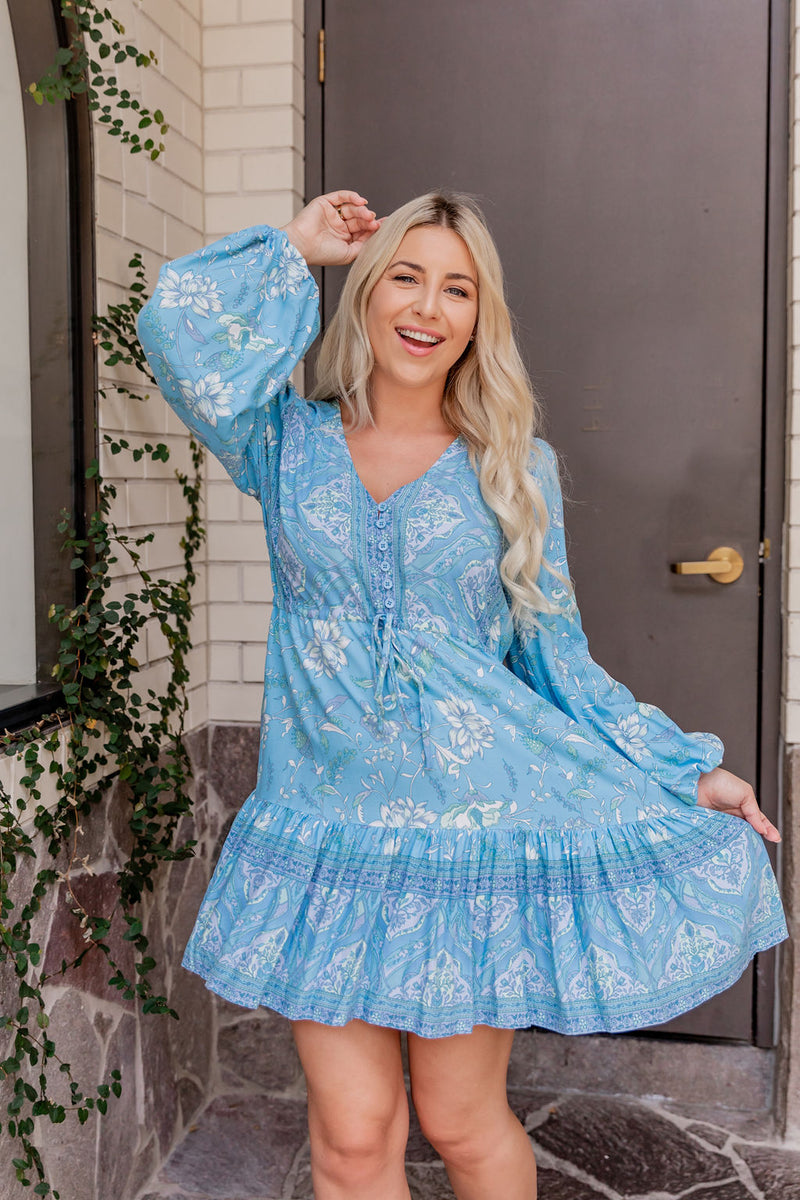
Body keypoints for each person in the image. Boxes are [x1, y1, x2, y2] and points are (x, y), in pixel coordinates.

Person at [137, 189, 788, 1200]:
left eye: (457, 289)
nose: (426, 308)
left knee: (460, 1121)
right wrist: (296, 247)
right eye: (405, 277)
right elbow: (177, 330)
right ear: (365, 291)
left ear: (481, 318)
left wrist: (682, 772)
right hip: (326, 835)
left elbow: (557, 661)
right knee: (352, 1138)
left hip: (469, 843)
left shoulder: (512, 469)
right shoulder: (283, 443)